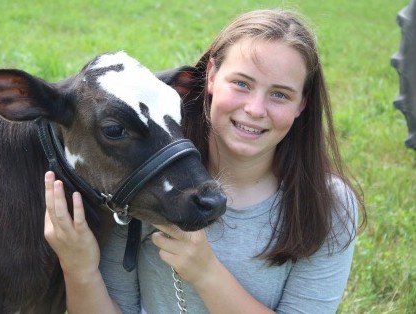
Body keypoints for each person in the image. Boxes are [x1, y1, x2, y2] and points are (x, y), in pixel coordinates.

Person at [44, 8, 366, 314]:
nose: (255, 109)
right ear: (210, 76)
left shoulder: (328, 204)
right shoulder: (150, 175)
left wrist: (206, 273)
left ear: (302, 104)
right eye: (241, 83)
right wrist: (79, 267)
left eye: (280, 94)